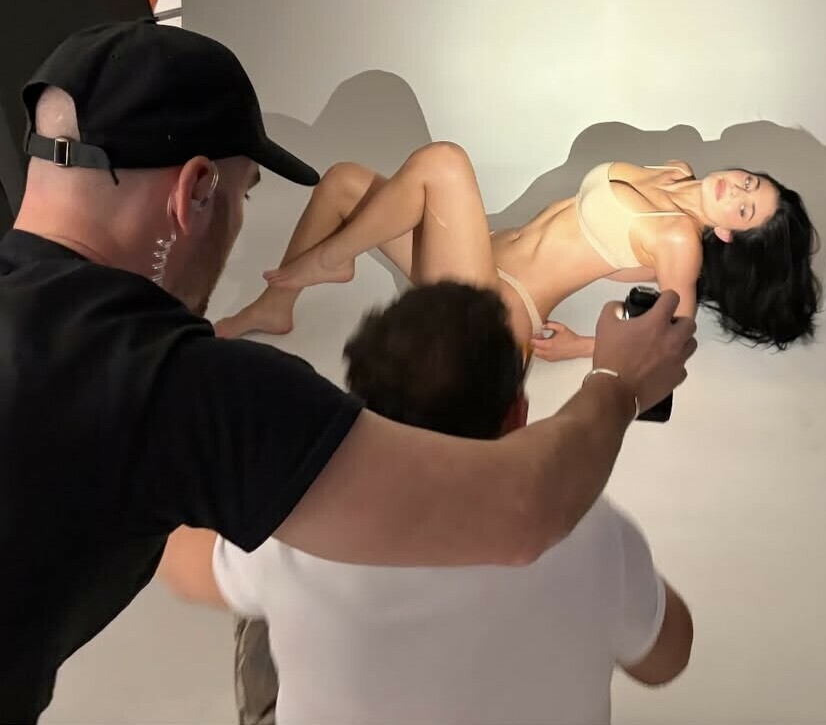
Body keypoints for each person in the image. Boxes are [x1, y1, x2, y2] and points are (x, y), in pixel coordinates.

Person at [0, 19, 695, 724]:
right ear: (196, 190)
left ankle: (302, 282)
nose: (238, 221)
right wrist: (618, 382)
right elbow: (524, 512)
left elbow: (185, 552)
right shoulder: (185, 384)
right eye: (245, 195)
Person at [160, 281, 693, 725]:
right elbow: (667, 658)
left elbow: (181, 568)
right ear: (518, 413)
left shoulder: (301, 522)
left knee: (254, 591)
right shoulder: (587, 523)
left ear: (360, 410)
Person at [216, 145, 820, 361]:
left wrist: (583, 347)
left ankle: (334, 260)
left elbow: (674, 336)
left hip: (496, 313)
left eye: (745, 209)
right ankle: (276, 305)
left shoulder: (679, 240)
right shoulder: (675, 171)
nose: (735, 191)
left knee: (443, 163)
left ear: (729, 234)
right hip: (479, 259)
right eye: (750, 184)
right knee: (343, 181)